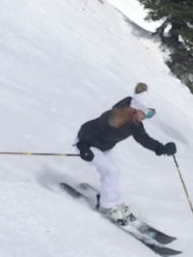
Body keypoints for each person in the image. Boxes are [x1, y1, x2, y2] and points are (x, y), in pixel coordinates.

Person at [75, 82, 176, 225]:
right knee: (111, 171)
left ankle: (114, 201)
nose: (146, 117)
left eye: (150, 114)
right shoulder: (114, 116)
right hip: (86, 144)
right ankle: (107, 207)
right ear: (136, 109)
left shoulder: (135, 124)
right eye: (146, 113)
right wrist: (83, 146)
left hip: (103, 148)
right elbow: (90, 128)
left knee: (111, 173)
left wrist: (162, 148)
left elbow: (144, 139)